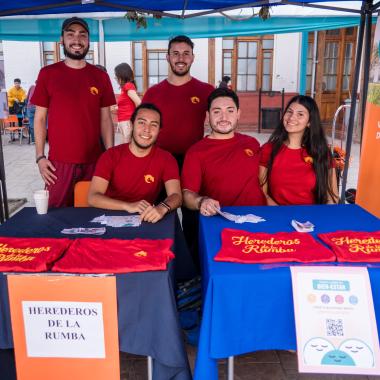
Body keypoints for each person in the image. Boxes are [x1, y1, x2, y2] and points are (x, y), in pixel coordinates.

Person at [32, 17, 116, 208]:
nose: (76, 40)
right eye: (70, 34)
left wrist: (110, 157)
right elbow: (39, 118)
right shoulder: (48, 74)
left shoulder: (100, 76)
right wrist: (40, 157)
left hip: (94, 162)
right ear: (62, 39)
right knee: (55, 218)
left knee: (94, 218)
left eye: (82, 35)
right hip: (58, 165)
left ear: (88, 41)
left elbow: (105, 120)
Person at [88, 103, 182, 223]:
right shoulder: (110, 155)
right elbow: (93, 197)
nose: (147, 129)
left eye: (154, 125)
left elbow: (176, 196)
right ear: (132, 124)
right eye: (141, 122)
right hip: (107, 217)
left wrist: (162, 207)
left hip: (142, 219)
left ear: (159, 130)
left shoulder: (167, 159)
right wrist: (128, 206)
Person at [182, 88, 266, 217]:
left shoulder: (251, 143)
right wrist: (201, 201)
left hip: (259, 217)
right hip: (222, 220)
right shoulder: (196, 152)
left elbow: (264, 180)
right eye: (217, 111)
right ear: (208, 115)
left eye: (230, 111)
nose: (224, 117)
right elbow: (187, 194)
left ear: (238, 114)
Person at [142, 35, 214, 168]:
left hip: (193, 161)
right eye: (175, 54)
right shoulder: (152, 93)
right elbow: (139, 128)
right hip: (159, 162)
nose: (181, 59)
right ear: (167, 57)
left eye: (186, 54)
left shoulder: (206, 91)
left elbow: (221, 121)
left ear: (192, 58)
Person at [259, 95, 338, 205]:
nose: (292, 117)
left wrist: (321, 219)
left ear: (309, 122)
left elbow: (332, 197)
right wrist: (283, 216)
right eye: (289, 112)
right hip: (277, 216)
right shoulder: (268, 149)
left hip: (312, 218)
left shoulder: (322, 152)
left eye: (300, 114)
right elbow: (263, 194)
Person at [114, 62, 141, 143]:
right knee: (125, 147)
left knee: (126, 147)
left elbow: (139, 103)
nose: (115, 78)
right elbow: (128, 104)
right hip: (123, 121)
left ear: (122, 75)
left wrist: (135, 119)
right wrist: (117, 108)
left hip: (127, 122)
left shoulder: (128, 86)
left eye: (116, 76)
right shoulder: (125, 87)